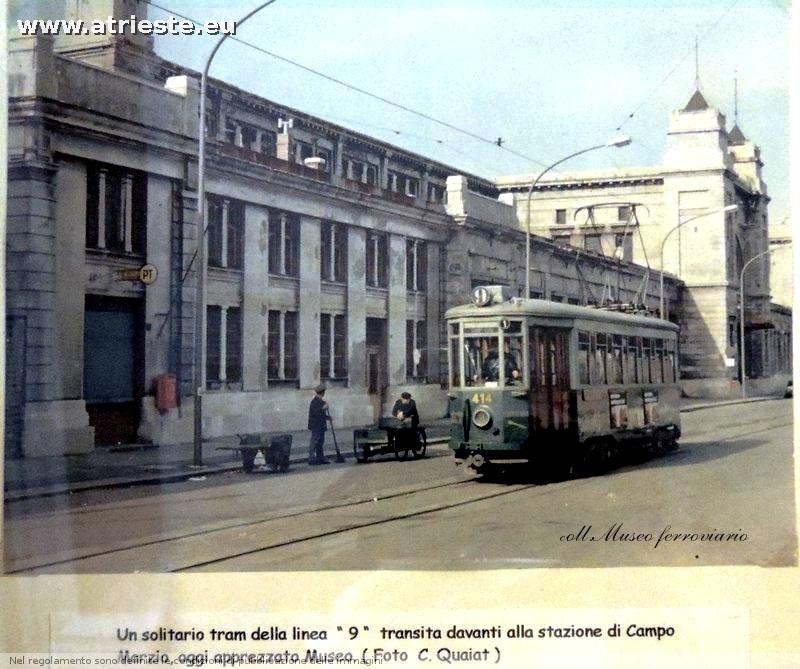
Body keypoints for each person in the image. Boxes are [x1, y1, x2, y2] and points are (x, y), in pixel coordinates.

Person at [307, 384, 330, 465]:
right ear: (322, 393)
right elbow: (315, 413)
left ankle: (320, 458)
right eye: (324, 392)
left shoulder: (321, 401)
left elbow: (321, 414)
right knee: (314, 441)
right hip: (316, 425)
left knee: (320, 442)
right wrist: (323, 408)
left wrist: (327, 417)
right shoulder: (314, 402)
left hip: (321, 425)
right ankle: (311, 459)